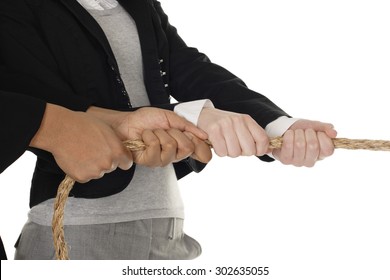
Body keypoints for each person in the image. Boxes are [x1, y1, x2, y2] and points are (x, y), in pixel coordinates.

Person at [0, 0, 336, 259]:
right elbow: (52, 107)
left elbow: (190, 69)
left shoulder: (137, 4)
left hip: (166, 221)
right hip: (79, 227)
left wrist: (278, 125)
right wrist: (191, 116)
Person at [0, 90, 212, 259]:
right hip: (79, 224)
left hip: (166, 223)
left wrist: (108, 120)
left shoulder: (156, 34)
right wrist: (51, 125)